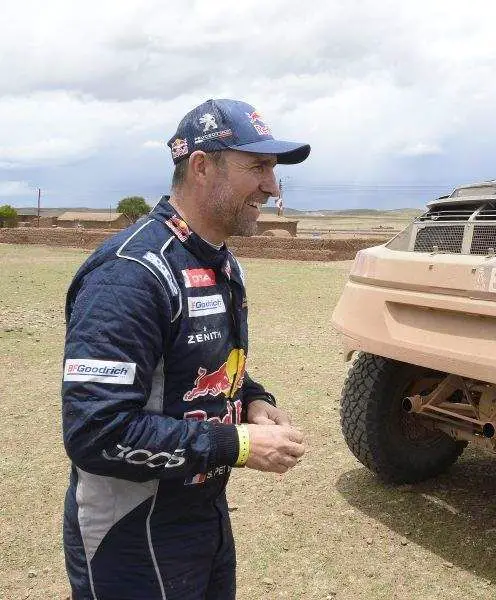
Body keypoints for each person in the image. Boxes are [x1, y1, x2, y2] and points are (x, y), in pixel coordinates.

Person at [61, 99, 311, 600]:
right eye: (257, 166)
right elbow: (94, 430)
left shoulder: (220, 261)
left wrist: (254, 398)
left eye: (274, 169)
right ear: (201, 166)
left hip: (203, 515)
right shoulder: (129, 275)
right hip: (131, 533)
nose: (272, 185)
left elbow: (202, 366)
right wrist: (237, 445)